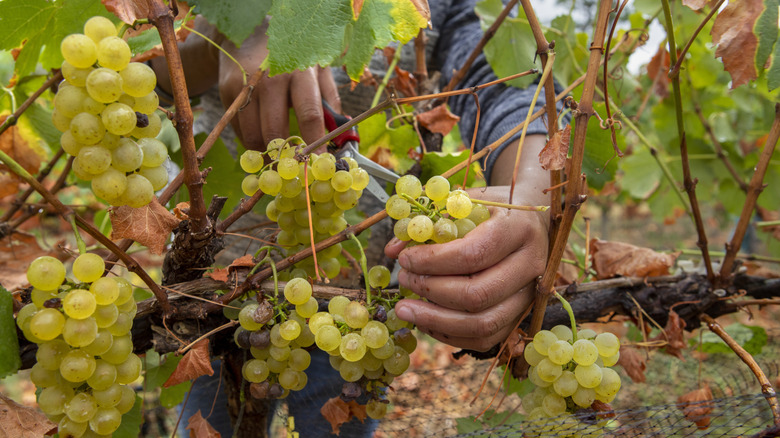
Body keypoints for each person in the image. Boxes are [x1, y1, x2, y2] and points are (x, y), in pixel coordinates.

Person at [153, 0, 554, 435]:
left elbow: (506, 94)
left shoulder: (441, 6)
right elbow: (151, 62)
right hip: (216, 297)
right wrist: (232, 35)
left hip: (356, 313)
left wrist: (531, 195)